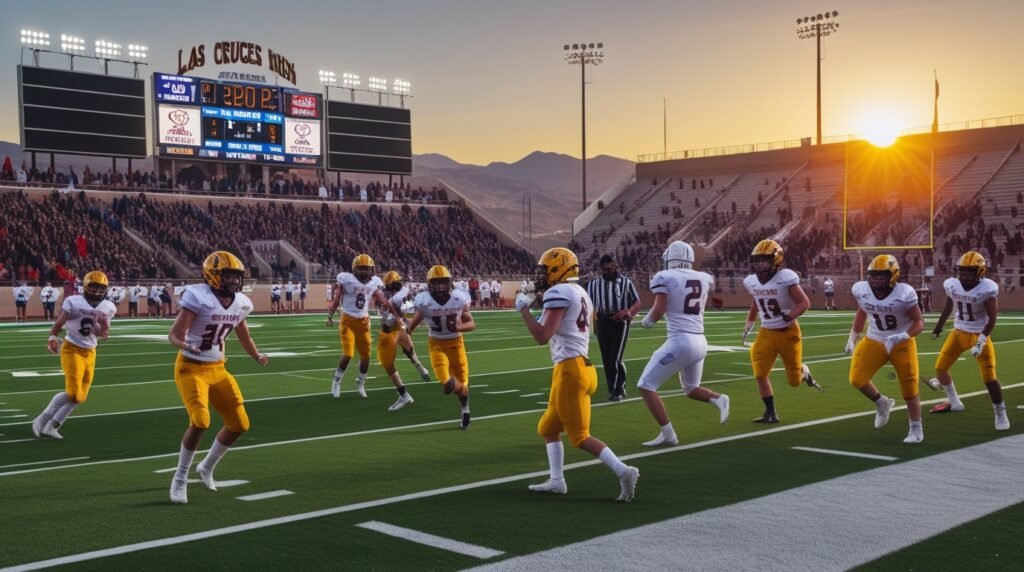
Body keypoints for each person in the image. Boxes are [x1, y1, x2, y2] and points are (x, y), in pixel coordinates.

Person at [516, 247, 639, 501]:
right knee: (548, 427)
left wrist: (523, 311)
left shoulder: (559, 292)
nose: (541, 275)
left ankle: (623, 471)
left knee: (580, 437)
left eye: (545, 270)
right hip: (581, 367)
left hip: (570, 371)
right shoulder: (579, 291)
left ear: (560, 269)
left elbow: (542, 336)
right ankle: (557, 480)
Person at [167, 251, 268, 504]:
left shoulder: (240, 303)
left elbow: (244, 335)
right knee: (200, 420)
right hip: (190, 367)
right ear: (213, 275)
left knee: (240, 424)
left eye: (237, 276)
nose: (234, 281)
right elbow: (174, 334)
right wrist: (186, 345)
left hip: (218, 368)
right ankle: (179, 478)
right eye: (229, 275)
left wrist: (256, 355)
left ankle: (207, 467)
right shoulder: (198, 297)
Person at [638, 242, 730, 446]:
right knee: (690, 388)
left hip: (681, 341)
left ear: (670, 258)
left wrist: (646, 322)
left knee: (645, 385)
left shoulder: (665, 277)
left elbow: (659, 308)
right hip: (700, 340)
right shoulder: (703, 277)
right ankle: (718, 398)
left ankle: (668, 434)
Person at [845, 255, 925, 443]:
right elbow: (862, 310)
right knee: (857, 379)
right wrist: (852, 336)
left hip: (901, 342)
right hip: (874, 339)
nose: (877, 280)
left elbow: (919, 322)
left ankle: (916, 428)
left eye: (882, 276)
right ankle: (882, 402)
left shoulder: (904, 293)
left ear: (893, 276)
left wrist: (902, 336)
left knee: (909, 389)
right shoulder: (862, 290)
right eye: (874, 276)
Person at [742, 239, 822, 423]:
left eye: (764, 260)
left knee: (794, 381)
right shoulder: (751, 281)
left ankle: (804, 371)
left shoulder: (785, 278)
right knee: (760, 373)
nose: (760, 264)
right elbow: (755, 304)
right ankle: (770, 412)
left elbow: (804, 303)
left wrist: (789, 315)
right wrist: (749, 324)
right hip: (766, 332)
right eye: (757, 260)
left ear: (776, 260)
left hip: (788, 332)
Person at [928, 252, 1009, 430]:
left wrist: (980, 341)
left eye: (969, 272)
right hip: (958, 332)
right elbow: (950, 305)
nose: (964, 276)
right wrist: (939, 326)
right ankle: (955, 402)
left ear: (979, 272)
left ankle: (1000, 413)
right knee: (940, 369)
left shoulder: (987, 288)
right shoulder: (952, 285)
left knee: (989, 377)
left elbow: (992, 319)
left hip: (979, 333)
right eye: (962, 272)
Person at [31, 271, 116, 439]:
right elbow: (58, 324)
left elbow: (103, 335)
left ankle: (52, 427)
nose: (97, 292)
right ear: (85, 286)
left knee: (80, 397)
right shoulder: (73, 302)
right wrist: (52, 338)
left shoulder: (108, 307)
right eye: (93, 287)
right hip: (72, 348)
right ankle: (42, 418)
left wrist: (105, 327)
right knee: (73, 393)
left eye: (100, 289)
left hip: (90, 352)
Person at [408, 265, 475, 428]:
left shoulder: (458, 299)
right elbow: (414, 322)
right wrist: (406, 331)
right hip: (436, 344)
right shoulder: (425, 301)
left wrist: (461, 327)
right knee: (447, 383)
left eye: (443, 282)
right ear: (429, 284)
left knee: (462, 383)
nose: (440, 286)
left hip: (456, 344)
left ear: (449, 283)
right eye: (436, 283)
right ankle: (462, 394)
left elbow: (472, 323)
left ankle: (465, 409)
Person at [326, 254, 388, 399]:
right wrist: (329, 316)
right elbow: (336, 299)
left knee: (366, 356)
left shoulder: (373, 283)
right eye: (362, 269)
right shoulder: (346, 280)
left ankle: (361, 384)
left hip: (363, 323)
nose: (365, 272)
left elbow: (381, 299)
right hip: (347, 320)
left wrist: (388, 308)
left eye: (367, 269)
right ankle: (336, 382)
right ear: (355, 269)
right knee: (348, 354)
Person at [586, 255, 642, 402]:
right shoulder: (594, 284)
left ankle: (618, 389)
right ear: (601, 269)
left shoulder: (625, 282)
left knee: (614, 358)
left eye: (610, 269)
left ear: (615, 266)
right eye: (604, 269)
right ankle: (614, 387)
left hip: (620, 322)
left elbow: (637, 303)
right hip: (602, 321)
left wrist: (628, 312)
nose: (607, 272)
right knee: (606, 358)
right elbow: (588, 304)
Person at [377, 271, 432, 411]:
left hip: (394, 329)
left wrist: (389, 317)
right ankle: (421, 369)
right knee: (410, 353)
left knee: (387, 364)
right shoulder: (405, 290)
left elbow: (391, 319)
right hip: (403, 327)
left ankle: (404, 395)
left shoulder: (394, 299)